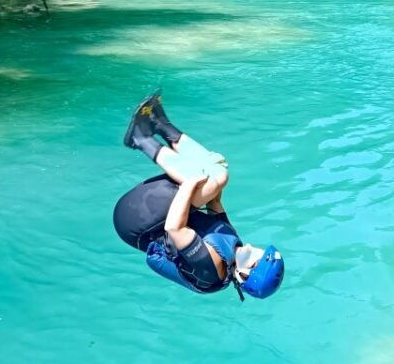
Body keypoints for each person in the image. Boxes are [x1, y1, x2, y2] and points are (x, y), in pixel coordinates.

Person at [113, 92, 285, 301]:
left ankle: (141, 138)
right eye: (261, 251)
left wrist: (191, 182)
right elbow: (215, 202)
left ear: (244, 275)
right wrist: (210, 163)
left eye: (256, 260)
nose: (253, 249)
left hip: (136, 223)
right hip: (159, 215)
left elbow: (174, 229)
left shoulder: (210, 269)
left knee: (208, 177)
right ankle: (158, 122)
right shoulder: (233, 248)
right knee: (218, 173)